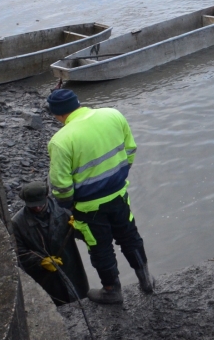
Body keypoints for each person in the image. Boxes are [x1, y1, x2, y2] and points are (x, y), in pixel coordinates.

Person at [46, 89, 153, 305]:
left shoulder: (60, 141)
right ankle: (146, 280)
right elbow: (130, 150)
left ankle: (112, 290)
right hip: (119, 196)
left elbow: (61, 186)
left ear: (58, 114)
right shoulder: (113, 115)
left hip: (88, 208)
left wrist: (67, 205)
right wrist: (118, 178)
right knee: (129, 237)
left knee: (100, 248)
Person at [11, 180, 89, 305]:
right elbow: (19, 252)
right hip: (44, 276)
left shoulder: (64, 209)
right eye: (33, 205)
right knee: (54, 303)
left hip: (70, 265)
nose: (37, 208)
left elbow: (87, 237)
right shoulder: (17, 223)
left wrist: (79, 226)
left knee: (80, 296)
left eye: (40, 204)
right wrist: (40, 261)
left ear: (46, 196)